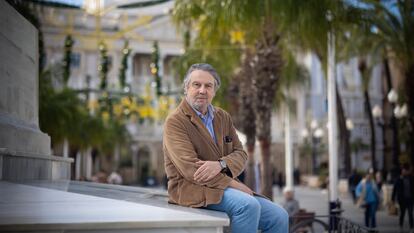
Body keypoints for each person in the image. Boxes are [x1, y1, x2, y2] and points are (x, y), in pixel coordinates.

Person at [163, 63, 289, 233]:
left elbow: (241, 154)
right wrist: (234, 185)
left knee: (279, 216)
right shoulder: (175, 121)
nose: (202, 90)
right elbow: (191, 170)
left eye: (208, 86)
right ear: (186, 88)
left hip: (223, 188)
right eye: (196, 85)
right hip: (191, 189)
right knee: (247, 205)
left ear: (214, 91)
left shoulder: (223, 117)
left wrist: (221, 164)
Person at [392, 164, 414, 231]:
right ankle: (400, 225)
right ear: (401, 172)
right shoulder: (399, 179)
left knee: (410, 214)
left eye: (405, 171)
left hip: (410, 199)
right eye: (403, 171)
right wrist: (392, 199)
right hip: (402, 200)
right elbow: (395, 189)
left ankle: (411, 227)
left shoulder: (411, 178)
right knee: (402, 213)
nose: (405, 172)